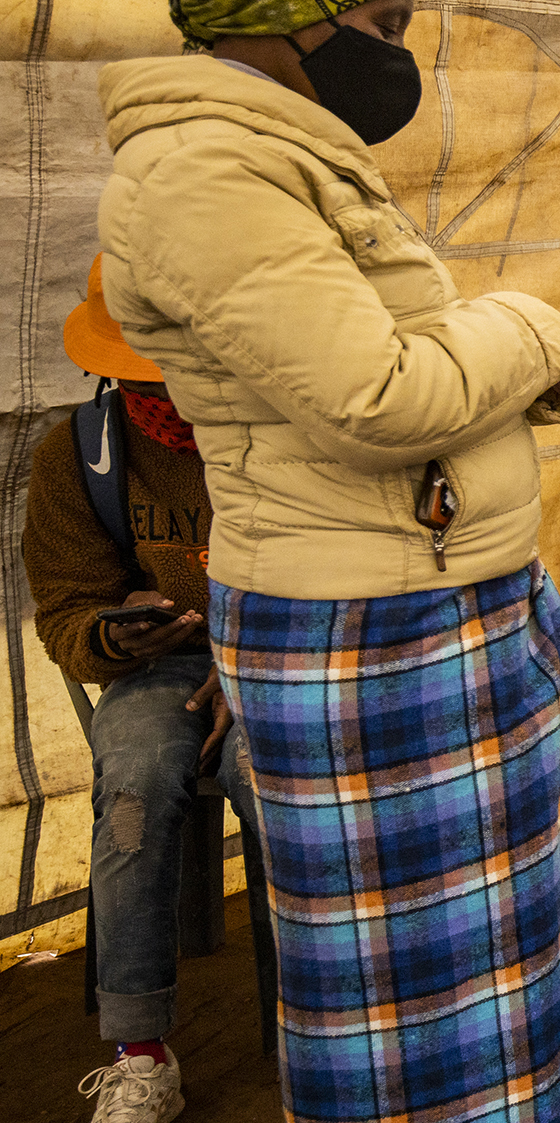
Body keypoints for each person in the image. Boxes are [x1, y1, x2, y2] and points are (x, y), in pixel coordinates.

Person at [96, 0, 560, 1120]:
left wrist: (511, 396)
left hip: (437, 594)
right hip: (370, 625)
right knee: (433, 1030)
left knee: (516, 968)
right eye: (387, 22)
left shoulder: (280, 151)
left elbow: (361, 379)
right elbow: (377, 396)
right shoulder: (205, 173)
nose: (399, 52)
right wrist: (536, 325)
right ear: (286, 15)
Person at [23, 265, 255, 1123]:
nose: (164, 391)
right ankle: (138, 1051)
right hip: (154, 670)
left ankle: (331, 1016)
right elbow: (66, 609)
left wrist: (250, 654)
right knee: (132, 786)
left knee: (285, 788)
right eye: (144, 370)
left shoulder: (278, 438)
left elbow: (332, 572)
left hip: (274, 657)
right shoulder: (77, 457)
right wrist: (113, 632)